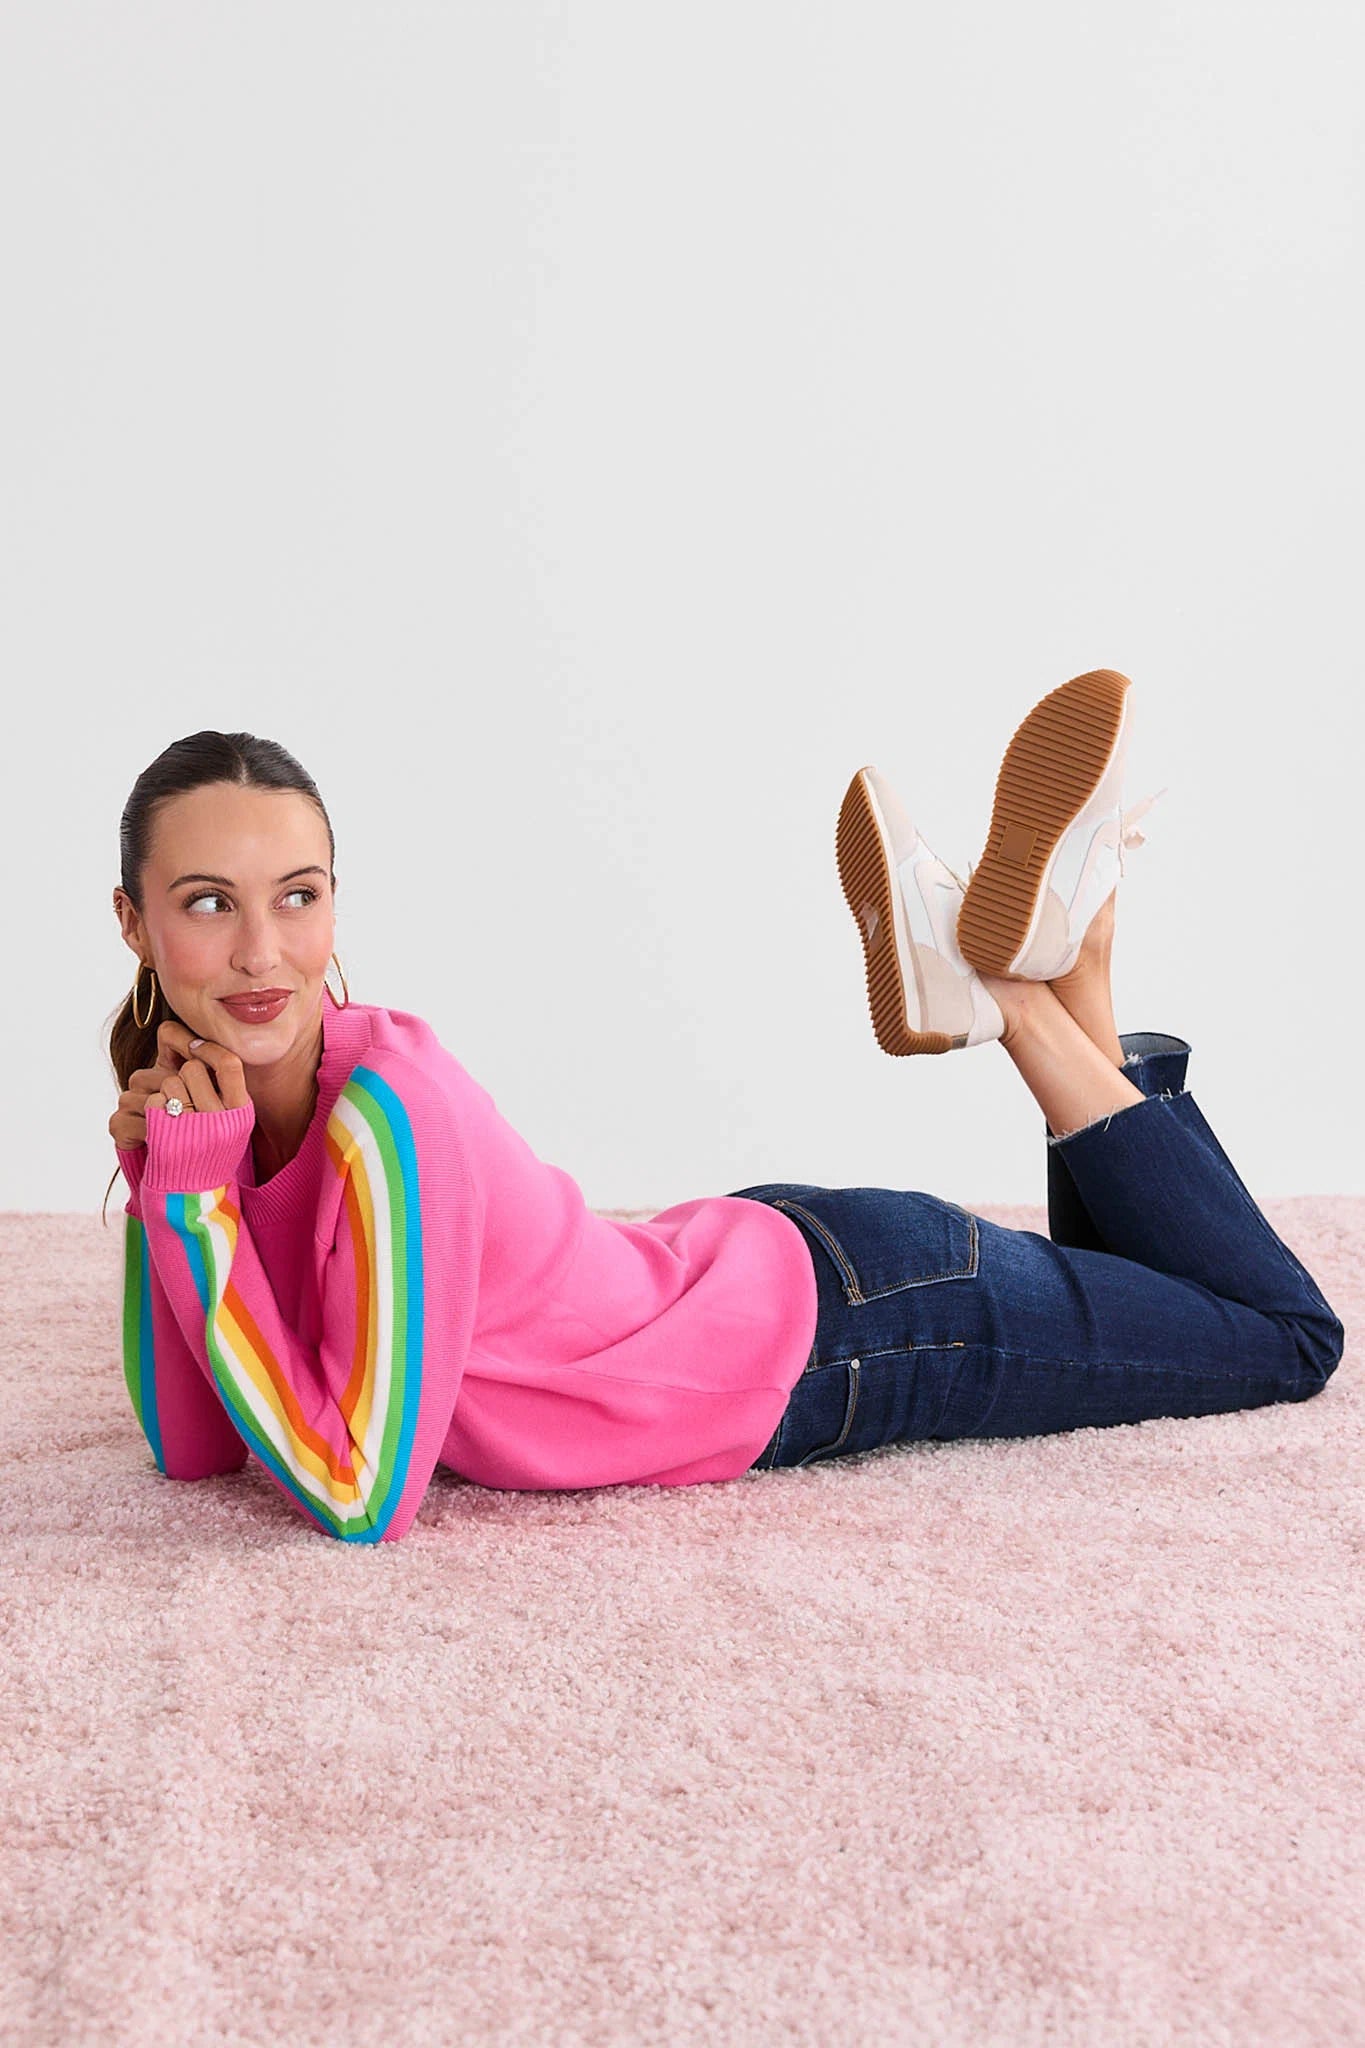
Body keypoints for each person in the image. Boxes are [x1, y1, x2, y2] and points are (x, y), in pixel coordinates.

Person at [104, 681, 1344, 1540]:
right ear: (134, 921)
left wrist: (199, 1208)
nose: (265, 949)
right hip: (775, 1274)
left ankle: (1021, 1000)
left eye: (299, 894)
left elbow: (358, 1489)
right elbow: (199, 1441)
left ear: (336, 904)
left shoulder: (386, 1116)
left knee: (1284, 1339)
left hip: (852, 1337)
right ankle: (1082, 969)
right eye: (210, 901)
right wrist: (176, 1184)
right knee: (1150, 1299)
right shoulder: (224, 1116)